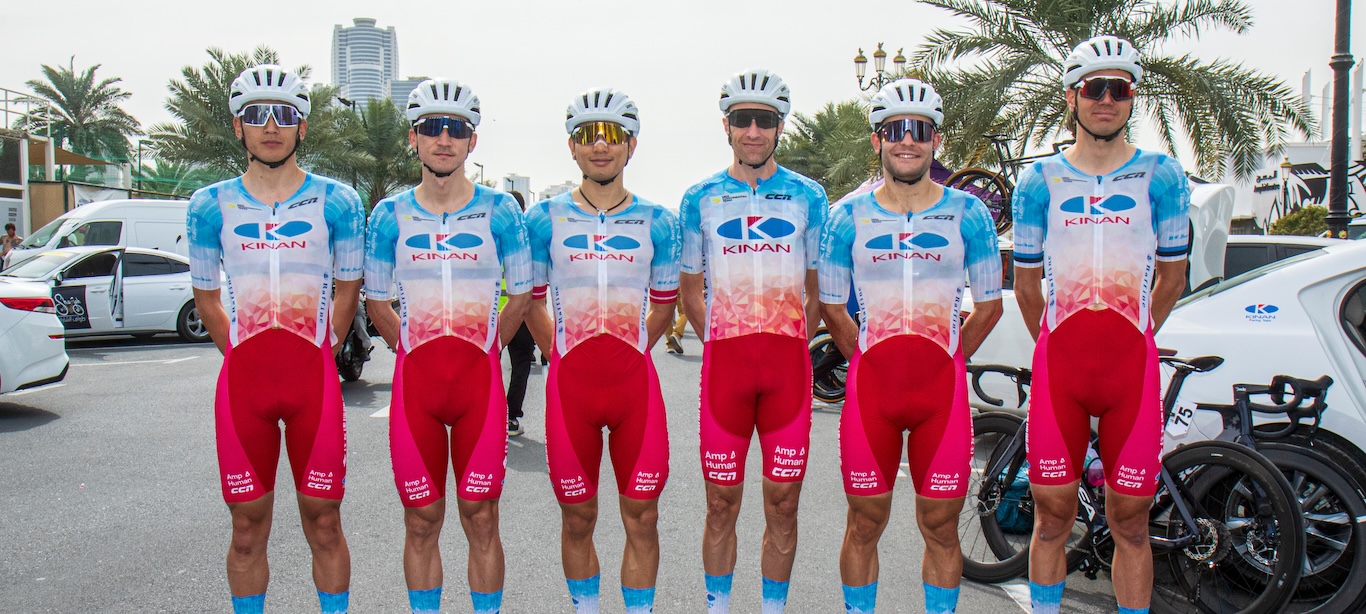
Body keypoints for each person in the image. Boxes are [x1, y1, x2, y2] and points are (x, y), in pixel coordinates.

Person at [1013, 36, 1189, 614]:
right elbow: (1026, 287)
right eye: (1095, 88)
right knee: (1051, 517)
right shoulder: (1038, 181)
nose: (1107, 100)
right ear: (1072, 97)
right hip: (1060, 371)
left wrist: (1135, 335)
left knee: (1131, 522)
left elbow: (1172, 278)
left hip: (1128, 372)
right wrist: (1055, 344)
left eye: (1119, 89)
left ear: (1131, 98)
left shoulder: (1162, 176)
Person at [819, 78, 1003, 614]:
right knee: (864, 522)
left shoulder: (969, 213)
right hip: (871, 394)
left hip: (939, 396)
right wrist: (865, 359)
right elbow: (831, 306)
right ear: (876, 139)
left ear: (935, 140)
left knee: (941, 526)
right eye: (894, 129)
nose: (907, 140)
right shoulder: (846, 216)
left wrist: (947, 360)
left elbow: (989, 306)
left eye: (919, 130)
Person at [186, 64, 364, 614]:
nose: (270, 126)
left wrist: (321, 350)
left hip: (314, 382)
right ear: (237, 126)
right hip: (245, 387)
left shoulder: (338, 201)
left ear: (301, 127)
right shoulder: (208, 204)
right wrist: (245, 355)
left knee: (325, 522)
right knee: (246, 529)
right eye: (256, 115)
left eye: (283, 115)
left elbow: (349, 289)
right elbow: (206, 299)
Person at [364, 78, 532, 614]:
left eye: (456, 129)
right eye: (432, 128)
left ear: (471, 141)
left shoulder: (501, 210)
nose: (444, 139)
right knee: (421, 520)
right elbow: (376, 301)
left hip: (478, 386)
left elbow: (522, 296)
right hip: (416, 388)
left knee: (481, 516)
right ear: (413, 138)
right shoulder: (388, 214)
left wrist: (485, 350)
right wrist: (414, 350)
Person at [523, 87, 679, 614]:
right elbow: (532, 301)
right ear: (572, 146)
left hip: (635, 388)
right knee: (577, 518)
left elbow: (664, 305)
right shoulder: (543, 218)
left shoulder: (658, 221)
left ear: (631, 145)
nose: (600, 145)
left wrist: (629, 350)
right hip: (572, 389)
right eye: (588, 135)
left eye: (613, 135)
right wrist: (563, 355)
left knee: (644, 517)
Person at [677, 68, 827, 613]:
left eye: (765, 120)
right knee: (720, 504)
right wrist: (720, 341)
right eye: (743, 120)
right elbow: (689, 289)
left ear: (780, 126)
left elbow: (819, 291)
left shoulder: (809, 196)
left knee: (783, 504)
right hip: (727, 370)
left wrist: (793, 343)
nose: (754, 131)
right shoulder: (699, 198)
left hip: (787, 369)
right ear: (727, 126)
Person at [502, 190, 536, 436]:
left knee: (487, 365)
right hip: (523, 313)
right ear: (523, 210)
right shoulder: (529, 236)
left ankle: (487, 414)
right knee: (521, 365)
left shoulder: (489, 232)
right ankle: (511, 417)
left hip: (491, 312)